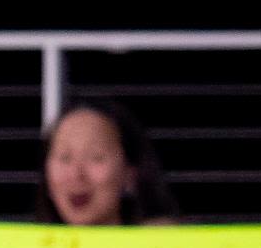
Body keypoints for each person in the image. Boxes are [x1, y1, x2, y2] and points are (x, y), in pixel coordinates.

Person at [35, 97, 176, 227]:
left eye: (96, 157)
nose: (76, 174)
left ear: (130, 174)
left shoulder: (163, 245)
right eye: (65, 157)